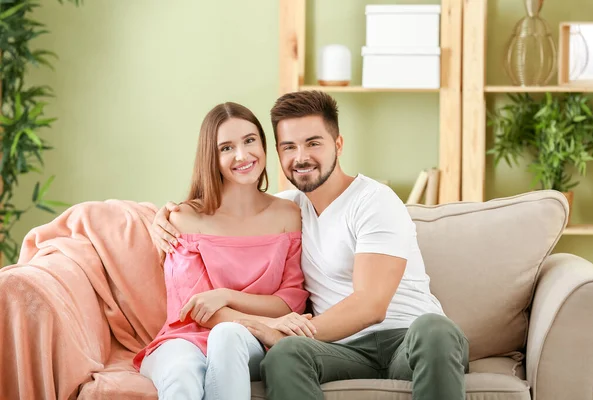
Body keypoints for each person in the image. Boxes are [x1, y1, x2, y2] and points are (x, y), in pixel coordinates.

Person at [151, 91, 470, 400]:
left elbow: (370, 305)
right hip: (342, 351)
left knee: (434, 329)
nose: (301, 157)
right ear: (277, 153)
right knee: (285, 355)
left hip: (411, 340)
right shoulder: (289, 210)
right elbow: (230, 214)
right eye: (289, 147)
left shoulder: (374, 201)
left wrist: (277, 331)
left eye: (313, 143)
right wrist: (161, 217)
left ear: (339, 144)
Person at [135, 102, 315, 400]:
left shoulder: (288, 214)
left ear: (263, 143)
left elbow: (290, 301)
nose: (243, 155)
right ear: (212, 157)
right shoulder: (183, 218)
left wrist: (228, 296)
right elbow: (197, 310)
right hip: (186, 339)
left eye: (249, 141)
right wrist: (264, 319)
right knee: (181, 376)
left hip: (253, 342)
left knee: (228, 334)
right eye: (226, 148)